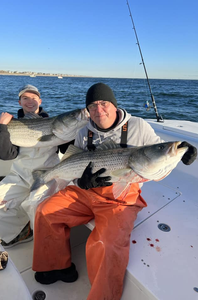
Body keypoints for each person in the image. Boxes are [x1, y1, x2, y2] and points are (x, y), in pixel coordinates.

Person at [32, 83, 197, 300]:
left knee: (106, 242)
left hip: (121, 197)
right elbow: (74, 167)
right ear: (87, 110)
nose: (99, 110)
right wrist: (82, 182)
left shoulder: (139, 126)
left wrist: (180, 153)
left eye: (104, 103)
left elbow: (158, 164)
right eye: (92, 106)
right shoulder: (83, 132)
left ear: (114, 105)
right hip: (87, 193)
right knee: (45, 210)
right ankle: (56, 266)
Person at [0, 84, 71, 248]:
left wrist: (70, 136)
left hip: (48, 175)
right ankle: (20, 233)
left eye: (34, 98)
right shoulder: (11, 125)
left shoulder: (55, 124)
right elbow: (6, 154)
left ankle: (45, 247)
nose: (30, 101)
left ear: (40, 101)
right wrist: (1, 127)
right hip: (20, 175)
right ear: (19, 102)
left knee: (36, 207)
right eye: (25, 98)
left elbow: (66, 150)